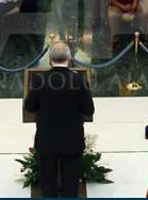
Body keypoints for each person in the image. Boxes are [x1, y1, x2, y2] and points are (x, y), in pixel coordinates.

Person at [24, 41, 95, 199]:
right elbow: (89, 110)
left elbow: (29, 107)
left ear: (50, 59)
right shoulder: (80, 80)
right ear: (69, 59)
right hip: (72, 140)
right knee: (71, 184)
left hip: (47, 140)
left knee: (48, 184)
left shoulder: (39, 80)